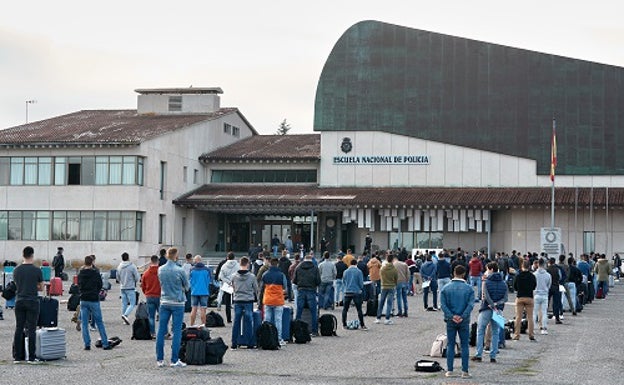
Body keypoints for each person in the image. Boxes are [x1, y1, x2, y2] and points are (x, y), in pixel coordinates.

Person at [156, 247, 189, 368]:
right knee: (176, 331)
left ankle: (160, 359)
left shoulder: (160, 269)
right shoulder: (179, 270)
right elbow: (187, 286)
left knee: (161, 330)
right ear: (175, 256)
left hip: (164, 301)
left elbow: (161, 283)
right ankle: (174, 359)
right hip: (178, 302)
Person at [440, 265, 475, 379]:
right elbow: (470, 305)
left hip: (450, 320)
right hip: (464, 320)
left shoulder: (445, 288)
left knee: (450, 344)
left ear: (453, 273)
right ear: (464, 274)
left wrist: (451, 316)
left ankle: (449, 370)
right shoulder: (469, 288)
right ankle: (464, 371)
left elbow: (443, 305)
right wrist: (462, 316)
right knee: (464, 345)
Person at [12, 246, 44, 363]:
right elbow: (41, 287)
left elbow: (17, 285)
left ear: (23, 255)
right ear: (32, 255)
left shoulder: (17, 270)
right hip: (32, 301)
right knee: (31, 329)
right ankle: (31, 356)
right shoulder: (37, 270)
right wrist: (34, 285)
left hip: (19, 300)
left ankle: (17, 356)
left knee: (19, 328)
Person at [472, 262, 507, 363]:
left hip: (486, 308)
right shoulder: (503, 283)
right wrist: (497, 304)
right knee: (495, 332)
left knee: (480, 330)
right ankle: (493, 355)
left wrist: (492, 304)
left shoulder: (486, 282)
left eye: (487, 269)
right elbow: (505, 298)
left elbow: (485, 296)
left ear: (491, 269)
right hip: (498, 310)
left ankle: (479, 354)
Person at [78, 255, 114, 351]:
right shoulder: (95, 273)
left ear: (84, 262)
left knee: (85, 323)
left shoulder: (80, 273)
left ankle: (87, 344)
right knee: (99, 322)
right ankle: (105, 343)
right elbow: (100, 285)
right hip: (93, 299)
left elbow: (79, 285)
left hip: (84, 299)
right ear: (92, 262)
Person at [231, 256, 258, 349]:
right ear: (248, 264)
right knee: (249, 321)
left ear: (240, 263)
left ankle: (234, 343)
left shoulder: (234, 276)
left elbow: (233, 287)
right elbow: (256, 289)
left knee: (236, 321)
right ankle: (250, 343)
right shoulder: (252, 276)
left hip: (238, 300)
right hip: (248, 300)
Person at [293, 253, 321, 336]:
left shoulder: (298, 267)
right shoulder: (315, 268)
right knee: (313, 312)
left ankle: (296, 331)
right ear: (311, 260)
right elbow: (318, 281)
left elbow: (294, 280)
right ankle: (314, 331)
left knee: (299, 311)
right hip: (311, 290)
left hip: (301, 290)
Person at [261, 256, 288, 346]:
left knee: (267, 319)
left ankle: (265, 337)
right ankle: (279, 339)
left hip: (268, 299)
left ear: (270, 264)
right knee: (278, 320)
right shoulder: (281, 275)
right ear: (278, 264)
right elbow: (285, 287)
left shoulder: (265, 274)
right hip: (278, 300)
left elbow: (262, 287)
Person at [512, 260, 537, 341]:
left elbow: (515, 287)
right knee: (530, 317)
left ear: (522, 266)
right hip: (529, 297)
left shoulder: (518, 276)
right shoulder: (532, 276)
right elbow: (534, 287)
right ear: (529, 266)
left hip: (520, 297)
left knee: (518, 317)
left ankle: (516, 335)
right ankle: (531, 334)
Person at [342, 259, 368, 330]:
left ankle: (344, 324)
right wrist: (360, 288)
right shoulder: (359, 272)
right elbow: (361, 283)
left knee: (345, 309)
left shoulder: (345, 271)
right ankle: (362, 325)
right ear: (356, 264)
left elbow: (343, 281)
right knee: (359, 309)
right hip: (356, 292)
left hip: (347, 292)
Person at [117, 252, 140, 325]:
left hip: (122, 287)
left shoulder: (119, 266)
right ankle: (125, 315)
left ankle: (124, 319)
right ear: (128, 257)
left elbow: (117, 278)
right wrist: (135, 281)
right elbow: (137, 277)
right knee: (132, 303)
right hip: (130, 287)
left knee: (124, 303)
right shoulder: (132, 266)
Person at [141, 255, 161, 338]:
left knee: (151, 316)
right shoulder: (161, 272)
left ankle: (152, 333)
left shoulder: (146, 273)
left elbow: (143, 285)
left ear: (151, 261)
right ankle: (165, 332)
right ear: (158, 261)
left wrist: (146, 292)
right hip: (160, 295)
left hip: (149, 295)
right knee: (162, 316)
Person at [375, 254, 398, 325]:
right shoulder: (394, 269)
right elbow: (396, 278)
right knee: (389, 303)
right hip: (391, 287)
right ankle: (387, 318)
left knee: (381, 302)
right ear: (392, 260)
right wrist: (394, 284)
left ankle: (378, 318)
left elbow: (380, 276)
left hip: (383, 286)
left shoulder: (382, 268)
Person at [218, 252, 240, 323]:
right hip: (236, 284)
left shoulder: (224, 265)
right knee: (237, 301)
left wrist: (227, 281)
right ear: (234, 257)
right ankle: (237, 317)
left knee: (227, 302)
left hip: (227, 285)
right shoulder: (237, 265)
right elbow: (239, 273)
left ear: (227, 257)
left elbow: (221, 276)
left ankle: (228, 318)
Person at [189, 255, 211, 326]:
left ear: (195, 261)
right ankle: (203, 325)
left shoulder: (192, 270)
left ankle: (192, 325)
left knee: (194, 308)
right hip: (204, 291)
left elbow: (190, 281)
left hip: (194, 291)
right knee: (203, 309)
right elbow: (209, 281)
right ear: (201, 260)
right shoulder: (207, 270)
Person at [533, 258, 551, 334]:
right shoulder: (548, 275)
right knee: (544, 312)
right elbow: (549, 285)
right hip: (544, 295)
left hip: (536, 294)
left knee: (534, 313)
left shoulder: (534, 274)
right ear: (544, 264)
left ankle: (532, 328)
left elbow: (532, 285)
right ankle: (544, 328)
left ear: (537, 264)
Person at [547, 258, 563, 325]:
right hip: (556, 286)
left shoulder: (547, 270)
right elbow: (560, 277)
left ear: (549, 262)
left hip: (549, 288)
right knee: (556, 303)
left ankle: (544, 317)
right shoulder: (558, 269)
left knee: (546, 303)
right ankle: (557, 318)